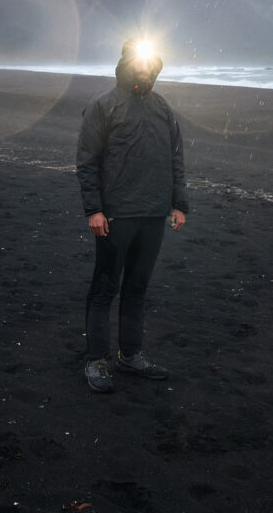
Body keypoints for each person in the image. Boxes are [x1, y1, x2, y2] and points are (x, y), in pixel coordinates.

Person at [76, 39, 188, 393]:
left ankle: (130, 355)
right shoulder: (103, 105)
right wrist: (93, 209)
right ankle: (96, 361)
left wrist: (179, 203)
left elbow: (175, 158)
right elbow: (87, 162)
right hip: (116, 215)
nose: (144, 67)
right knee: (105, 287)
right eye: (138, 61)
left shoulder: (162, 107)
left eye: (150, 62)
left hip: (154, 214)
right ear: (126, 63)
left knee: (137, 286)